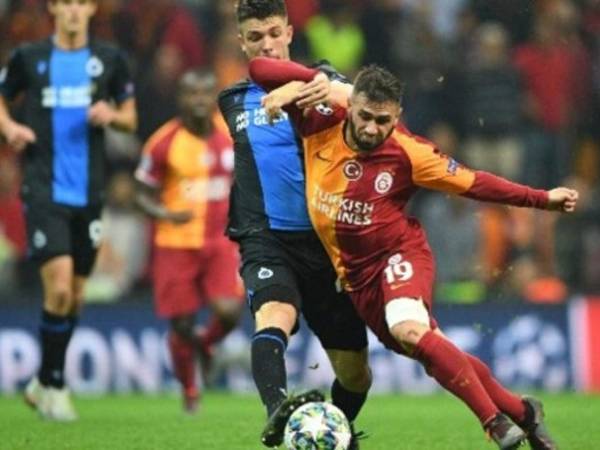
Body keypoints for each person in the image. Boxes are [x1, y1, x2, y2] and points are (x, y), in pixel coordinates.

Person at [250, 58, 570, 450]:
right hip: (356, 278)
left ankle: (494, 423)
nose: (372, 128)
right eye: (365, 116)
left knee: (408, 328)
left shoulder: (409, 152)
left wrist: (542, 199)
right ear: (350, 105)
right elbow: (259, 68)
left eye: (383, 120)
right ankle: (524, 412)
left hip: (398, 255)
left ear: (397, 116)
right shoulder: (319, 117)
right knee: (431, 350)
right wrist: (315, 82)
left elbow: (476, 183)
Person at [218, 1, 372, 447]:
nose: (267, 44)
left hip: (326, 244)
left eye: (273, 33)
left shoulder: (323, 80)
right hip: (266, 239)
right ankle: (278, 414)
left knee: (356, 374)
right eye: (255, 37)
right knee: (274, 315)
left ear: (288, 32)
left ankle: (334, 430)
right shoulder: (231, 101)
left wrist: (310, 88)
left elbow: (362, 102)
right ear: (241, 43)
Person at [0, 0, 137, 421]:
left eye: (81, 3)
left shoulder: (109, 59)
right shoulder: (30, 57)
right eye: (66, 3)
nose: (73, 11)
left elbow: (131, 119)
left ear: (91, 9)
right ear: (54, 9)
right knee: (58, 288)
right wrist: (10, 127)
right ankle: (56, 387)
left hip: (89, 194)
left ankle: (43, 379)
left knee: (75, 295)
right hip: (44, 190)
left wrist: (111, 114)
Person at [135, 69, 243, 414]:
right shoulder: (163, 142)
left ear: (214, 97)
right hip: (175, 243)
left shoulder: (231, 134)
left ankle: (206, 344)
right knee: (181, 323)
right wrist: (164, 213)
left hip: (220, 241)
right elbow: (141, 193)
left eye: (204, 93)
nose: (198, 100)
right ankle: (190, 390)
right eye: (191, 93)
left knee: (229, 311)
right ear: (180, 98)